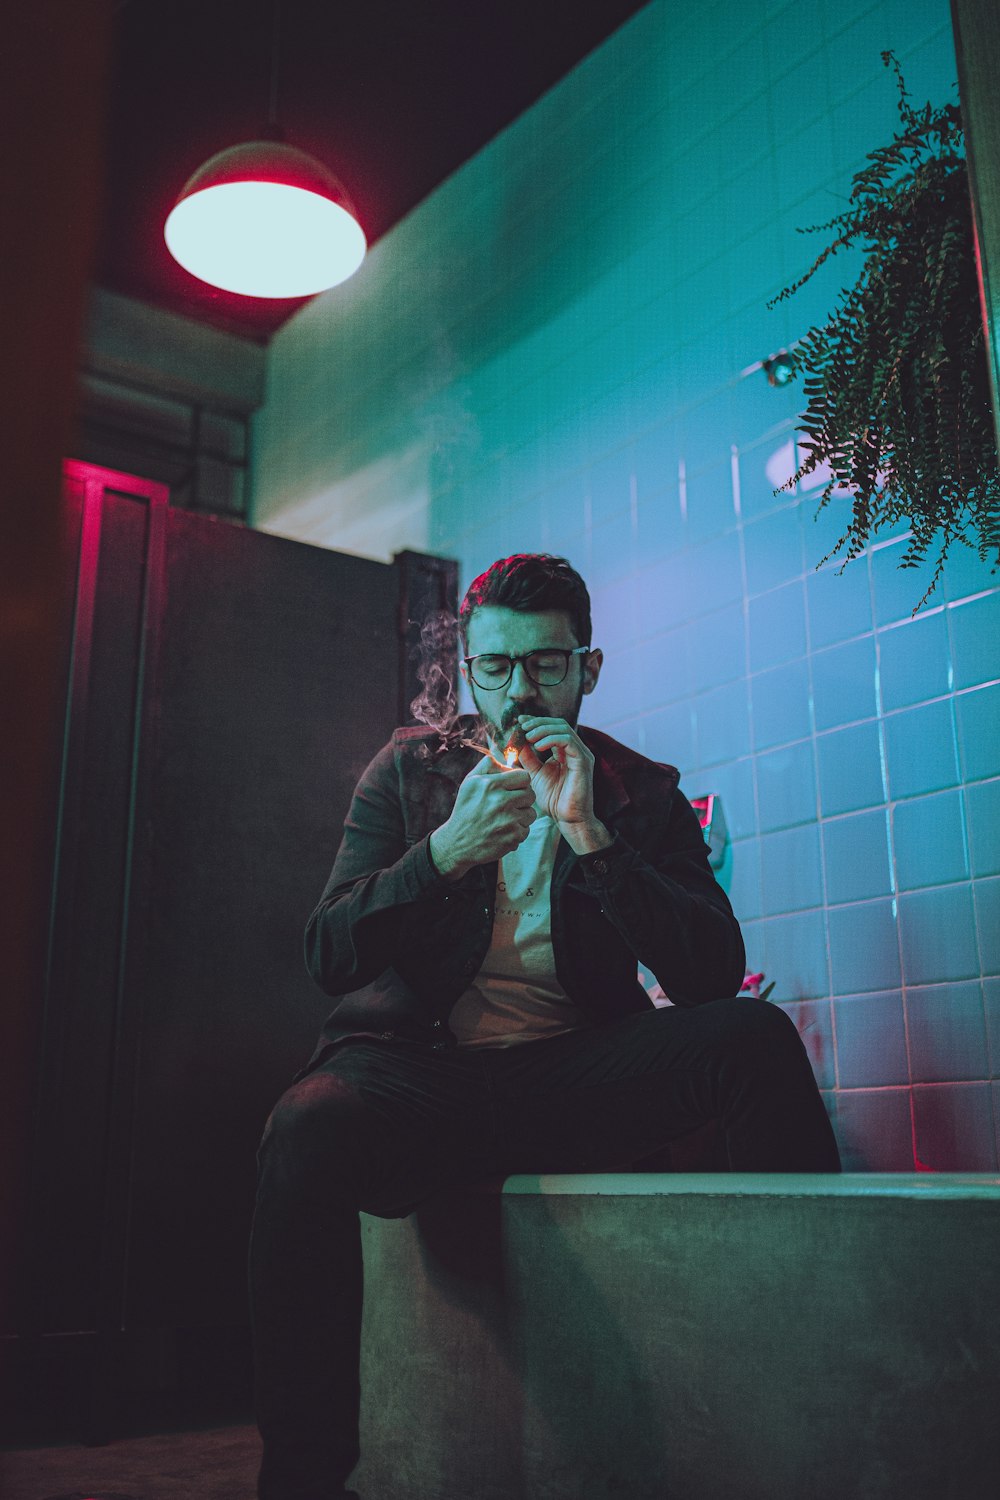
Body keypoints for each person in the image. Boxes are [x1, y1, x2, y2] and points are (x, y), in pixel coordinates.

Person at [250, 553, 840, 1500]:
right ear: (470, 667)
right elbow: (329, 953)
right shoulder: (410, 772)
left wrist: (594, 839)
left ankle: (819, 1388)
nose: (520, 692)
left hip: (573, 1075)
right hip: (423, 1078)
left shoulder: (639, 790)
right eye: (497, 667)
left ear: (588, 670)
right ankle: (304, 1480)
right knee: (307, 1120)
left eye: (547, 665)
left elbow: (710, 978)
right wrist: (439, 856)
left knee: (753, 1039)